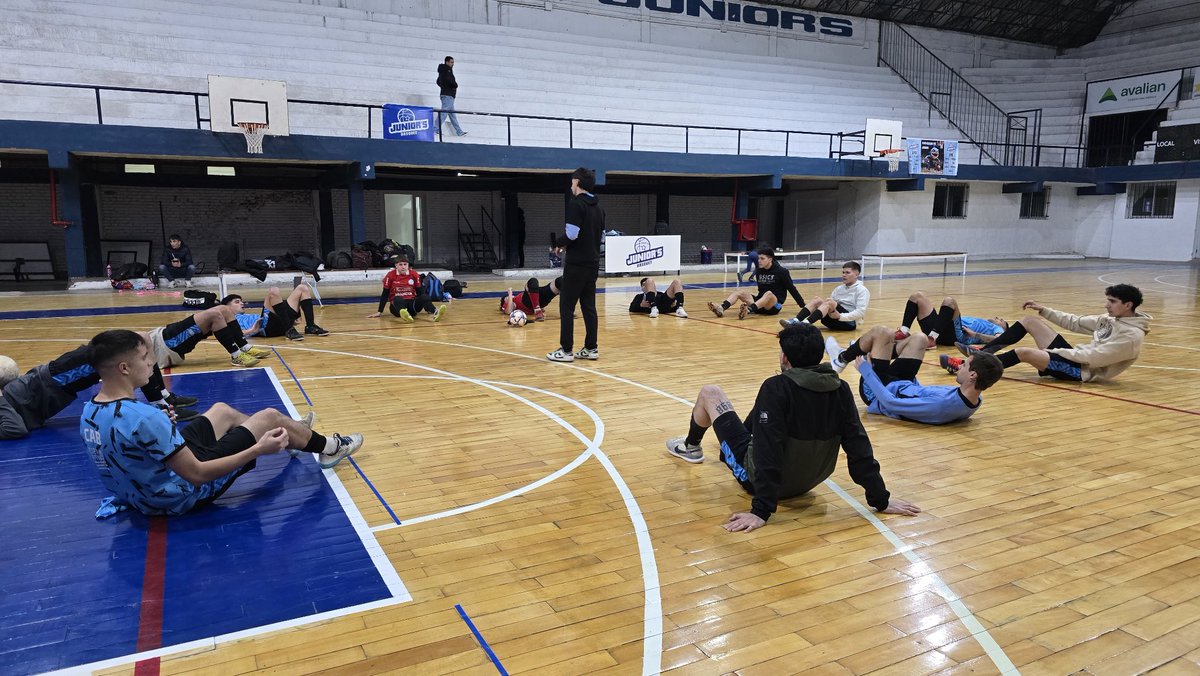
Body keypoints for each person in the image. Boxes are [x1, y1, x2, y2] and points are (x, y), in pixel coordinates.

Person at [664, 323, 919, 532]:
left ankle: (690, 447)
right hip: (810, 482)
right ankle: (723, 446)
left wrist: (761, 511)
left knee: (711, 393)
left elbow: (767, 448)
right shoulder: (840, 388)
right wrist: (880, 499)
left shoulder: (776, 388)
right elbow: (859, 447)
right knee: (769, 403)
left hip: (764, 485)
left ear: (785, 356)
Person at [80, 330, 364, 516]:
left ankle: (295, 436)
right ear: (124, 368)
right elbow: (199, 475)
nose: (151, 366)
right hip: (177, 496)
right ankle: (329, 447)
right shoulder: (145, 417)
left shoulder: (90, 412)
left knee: (221, 411)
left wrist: (162, 428)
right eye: (144, 359)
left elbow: (130, 446)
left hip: (141, 490)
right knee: (269, 418)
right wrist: (258, 450)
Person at [951, 284, 1150, 383]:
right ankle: (982, 353)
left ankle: (973, 367)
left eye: (1112, 302)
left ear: (1128, 305)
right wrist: (1044, 310)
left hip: (1082, 371)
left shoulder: (1132, 337)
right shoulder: (1110, 319)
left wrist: (1054, 353)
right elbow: (1075, 322)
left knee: (1024, 352)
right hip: (1074, 357)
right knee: (1029, 321)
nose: (1106, 305)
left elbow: (1093, 358)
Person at [824, 327, 1004, 425]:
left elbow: (891, 403)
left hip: (879, 392)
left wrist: (866, 370)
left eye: (964, 364)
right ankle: (869, 349)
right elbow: (922, 393)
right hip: (903, 384)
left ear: (973, 375)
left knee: (882, 333)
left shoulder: (942, 405)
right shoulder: (975, 397)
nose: (959, 365)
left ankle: (842, 358)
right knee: (920, 338)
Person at [548, 168, 604, 363]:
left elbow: (572, 234)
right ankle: (591, 348)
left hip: (577, 264)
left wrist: (558, 244)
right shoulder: (598, 208)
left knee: (566, 305)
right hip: (593, 263)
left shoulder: (576, 204)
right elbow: (597, 236)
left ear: (577, 182)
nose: (571, 185)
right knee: (589, 306)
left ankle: (566, 350)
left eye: (572, 182)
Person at [707, 248, 804, 320]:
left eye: (762, 258)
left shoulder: (782, 271)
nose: (759, 261)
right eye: (758, 258)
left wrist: (802, 305)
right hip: (759, 303)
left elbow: (792, 288)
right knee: (739, 292)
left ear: (770, 259)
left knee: (769, 293)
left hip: (773, 306)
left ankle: (748, 310)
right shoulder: (759, 271)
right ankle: (722, 308)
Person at [896, 291, 1008, 349]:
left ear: (1004, 327)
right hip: (939, 328)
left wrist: (975, 334)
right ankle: (904, 332)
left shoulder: (997, 329)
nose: (998, 318)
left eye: (1002, 320)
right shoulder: (983, 321)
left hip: (955, 336)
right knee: (917, 296)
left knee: (950, 301)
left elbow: (999, 339)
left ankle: (931, 339)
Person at [781, 261, 869, 331]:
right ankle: (796, 321)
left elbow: (860, 312)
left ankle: (804, 325)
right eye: (843, 272)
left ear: (856, 274)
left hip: (849, 323)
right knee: (817, 300)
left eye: (847, 273)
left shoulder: (862, 290)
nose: (844, 275)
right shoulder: (839, 288)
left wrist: (840, 316)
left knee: (829, 302)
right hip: (833, 319)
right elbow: (828, 307)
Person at [368, 257, 447, 323]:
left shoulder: (414, 274)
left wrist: (427, 306)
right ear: (396, 266)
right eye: (400, 265)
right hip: (396, 307)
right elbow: (385, 293)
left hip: (411, 305)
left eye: (405, 264)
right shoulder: (390, 275)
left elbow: (420, 292)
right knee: (397, 299)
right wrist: (379, 311)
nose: (403, 267)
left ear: (408, 265)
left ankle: (435, 312)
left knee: (425, 296)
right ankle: (405, 315)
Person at [258, 283, 332, 339]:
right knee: (273, 291)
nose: (245, 304)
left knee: (302, 287)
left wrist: (298, 313)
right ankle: (289, 329)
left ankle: (310, 326)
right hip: (269, 327)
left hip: (284, 320)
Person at [436, 56, 467, 137]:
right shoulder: (447, 70)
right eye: (451, 62)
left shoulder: (442, 70)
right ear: (447, 62)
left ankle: (459, 132)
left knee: (452, 115)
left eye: (453, 62)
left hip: (446, 94)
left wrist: (444, 86)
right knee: (444, 113)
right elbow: (449, 80)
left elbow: (438, 81)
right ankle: (435, 129)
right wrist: (454, 85)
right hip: (448, 95)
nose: (453, 64)